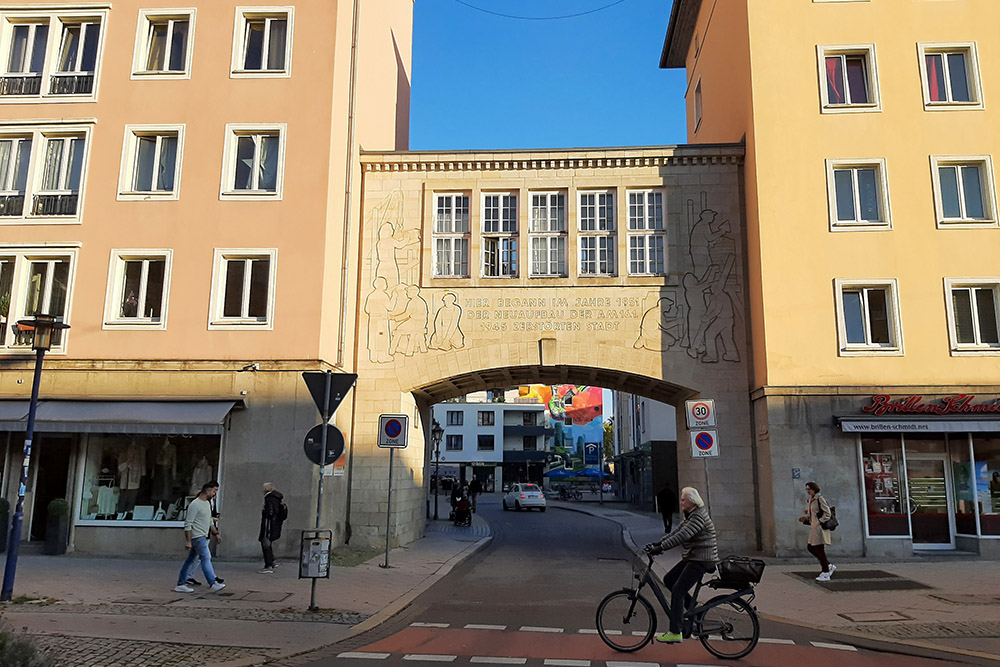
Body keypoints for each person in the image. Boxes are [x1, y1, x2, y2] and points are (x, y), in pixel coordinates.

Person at [644, 486, 718, 644]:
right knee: (669, 580)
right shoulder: (691, 515)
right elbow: (677, 531)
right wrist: (659, 543)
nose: (681, 502)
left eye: (684, 500)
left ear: (692, 502)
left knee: (678, 589)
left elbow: (683, 536)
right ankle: (695, 609)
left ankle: (675, 631)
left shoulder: (698, 517)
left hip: (701, 559)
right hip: (693, 557)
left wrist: (661, 548)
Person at [175, 481, 226, 593]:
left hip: (202, 535)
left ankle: (181, 583)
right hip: (198, 537)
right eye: (214, 490)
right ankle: (212, 582)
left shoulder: (207, 504)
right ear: (207, 490)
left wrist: (216, 533)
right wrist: (188, 541)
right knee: (206, 558)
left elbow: (209, 522)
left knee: (190, 560)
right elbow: (188, 524)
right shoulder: (195, 504)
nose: (215, 493)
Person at [801, 481, 835, 581]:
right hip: (814, 528)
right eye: (806, 489)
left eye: (809, 489)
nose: (808, 491)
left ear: (814, 489)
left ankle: (825, 572)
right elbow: (813, 514)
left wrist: (820, 521)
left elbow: (827, 513)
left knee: (819, 549)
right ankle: (828, 566)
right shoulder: (811, 500)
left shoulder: (819, 498)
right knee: (811, 547)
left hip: (819, 528)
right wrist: (806, 517)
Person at [258, 482, 286, 574]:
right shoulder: (277, 498)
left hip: (268, 525)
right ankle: (272, 561)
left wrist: (264, 511)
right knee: (268, 544)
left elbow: (269, 512)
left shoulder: (269, 498)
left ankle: (268, 565)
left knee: (265, 543)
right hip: (275, 524)